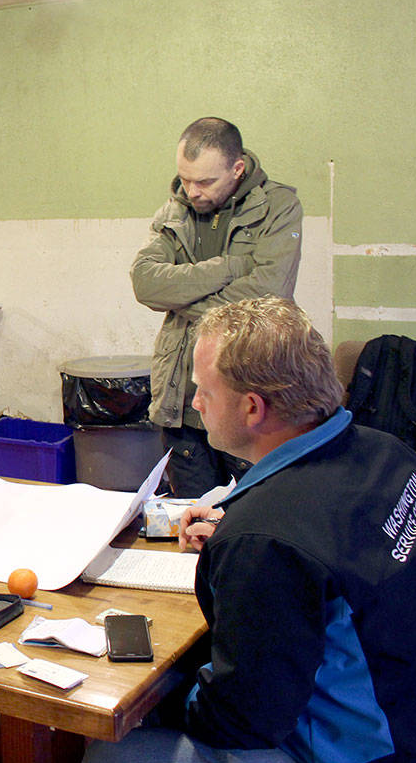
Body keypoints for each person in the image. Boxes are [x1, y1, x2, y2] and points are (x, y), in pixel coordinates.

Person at [82, 297, 416, 763]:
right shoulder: (386, 452)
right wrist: (244, 530)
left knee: (115, 756)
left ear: (252, 407)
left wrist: (155, 708)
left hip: (371, 762)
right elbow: (339, 542)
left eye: (203, 390)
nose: (196, 403)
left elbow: (244, 718)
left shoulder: (265, 539)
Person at [130, 117, 303, 496]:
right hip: (183, 400)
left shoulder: (279, 207)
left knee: (253, 513)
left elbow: (269, 293)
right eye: (185, 179)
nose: (192, 191)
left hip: (250, 399)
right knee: (191, 516)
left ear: (237, 169)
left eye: (205, 182)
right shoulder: (174, 211)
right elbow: (146, 283)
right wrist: (231, 268)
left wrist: (182, 298)